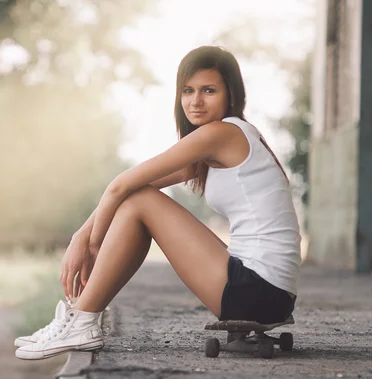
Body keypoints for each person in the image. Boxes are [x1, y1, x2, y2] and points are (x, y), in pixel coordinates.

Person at [15, 46, 301, 360]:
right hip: (270, 293)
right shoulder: (222, 143)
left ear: (231, 95)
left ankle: (82, 319)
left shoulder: (221, 134)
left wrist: (90, 243)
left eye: (209, 90)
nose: (196, 101)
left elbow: (121, 185)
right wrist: (82, 235)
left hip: (257, 290)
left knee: (141, 201)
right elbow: (130, 188)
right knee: (139, 198)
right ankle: (82, 318)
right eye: (188, 91)